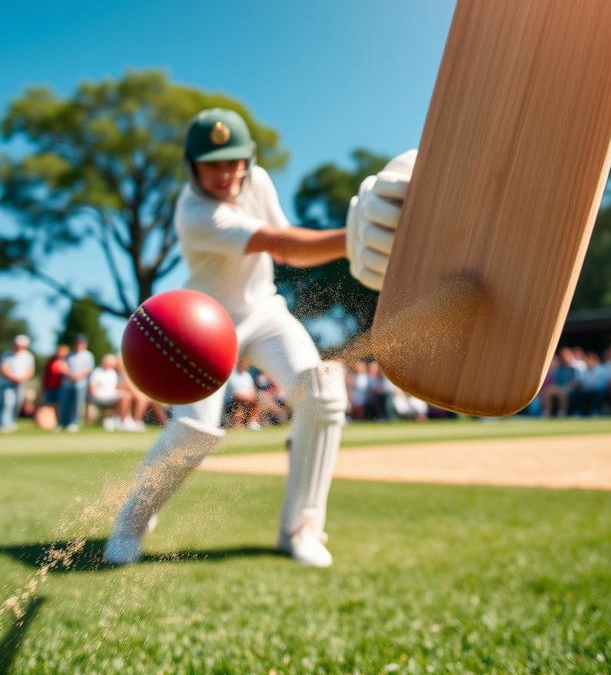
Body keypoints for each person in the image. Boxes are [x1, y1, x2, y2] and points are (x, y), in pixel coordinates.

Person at [105, 107, 415, 568]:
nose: (225, 173)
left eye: (233, 160)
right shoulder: (195, 213)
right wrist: (360, 237)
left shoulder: (259, 181)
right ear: (191, 165)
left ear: (248, 158)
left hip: (265, 313)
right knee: (193, 432)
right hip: (204, 327)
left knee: (323, 394)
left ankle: (302, 530)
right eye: (211, 163)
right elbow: (282, 245)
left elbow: (286, 239)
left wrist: (365, 235)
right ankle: (131, 522)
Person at [57, 335, 95, 431]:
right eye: (77, 343)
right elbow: (62, 367)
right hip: (67, 384)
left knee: (77, 404)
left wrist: (78, 376)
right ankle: (62, 423)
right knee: (65, 404)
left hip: (80, 384)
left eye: (81, 343)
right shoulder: (69, 355)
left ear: (85, 344)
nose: (79, 345)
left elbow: (88, 369)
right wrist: (70, 375)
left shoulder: (88, 355)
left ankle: (73, 423)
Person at [0, 335, 36, 433]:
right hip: (7, 383)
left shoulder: (28, 356)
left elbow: (30, 371)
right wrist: (13, 377)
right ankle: (4, 424)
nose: (19, 347)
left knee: (17, 404)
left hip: (21, 384)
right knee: (7, 403)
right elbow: (3, 368)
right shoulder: (7, 354)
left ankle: (11, 423)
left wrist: (21, 378)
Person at [226, 357, 260, 428]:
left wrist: (251, 397)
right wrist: (249, 398)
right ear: (239, 363)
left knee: (255, 400)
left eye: (246, 363)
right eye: (243, 363)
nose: (245, 365)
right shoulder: (231, 375)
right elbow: (235, 393)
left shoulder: (247, 375)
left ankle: (252, 422)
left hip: (247, 398)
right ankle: (238, 424)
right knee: (242, 402)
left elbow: (252, 389)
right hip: (233, 399)